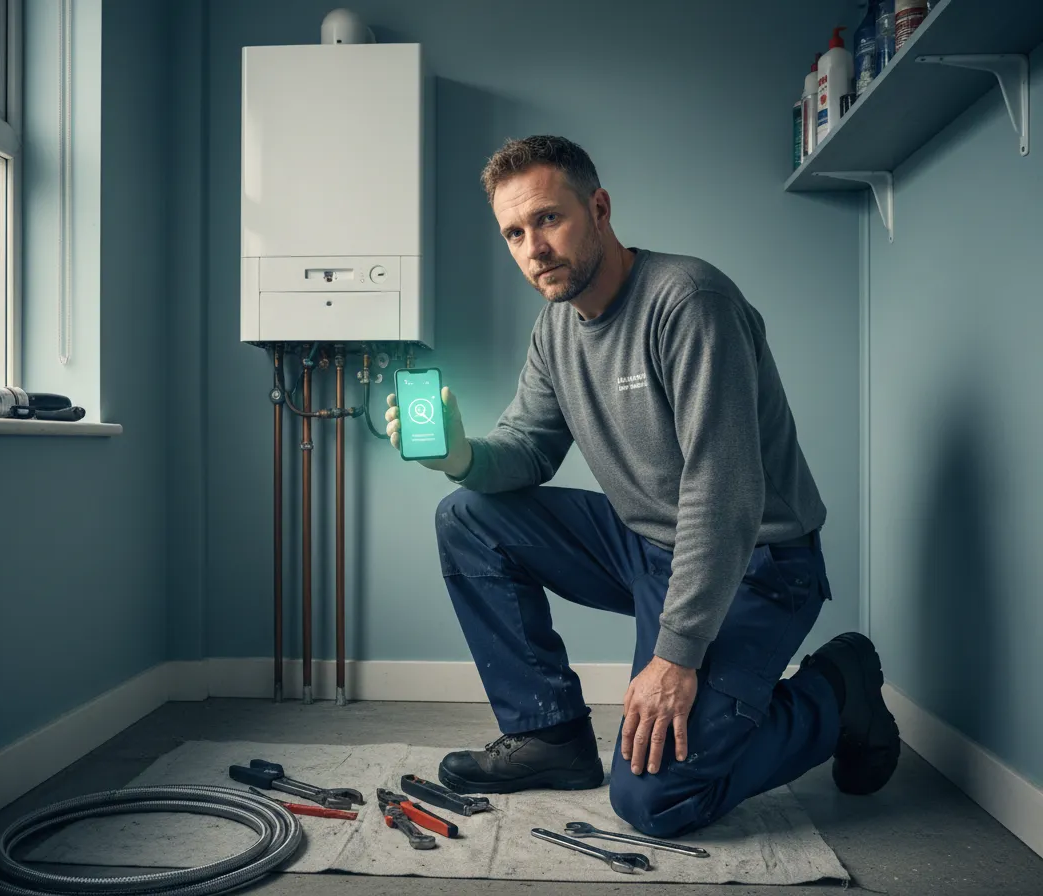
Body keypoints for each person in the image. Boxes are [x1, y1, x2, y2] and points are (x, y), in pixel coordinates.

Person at [383, 135, 900, 839]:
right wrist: (460, 455)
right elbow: (528, 449)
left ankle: (838, 692)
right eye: (514, 233)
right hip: (646, 546)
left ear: (598, 209)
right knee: (467, 515)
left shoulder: (689, 302)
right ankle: (550, 735)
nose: (534, 248)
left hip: (757, 563)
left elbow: (724, 494)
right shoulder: (555, 331)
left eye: (548, 218)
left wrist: (675, 655)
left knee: (654, 798)